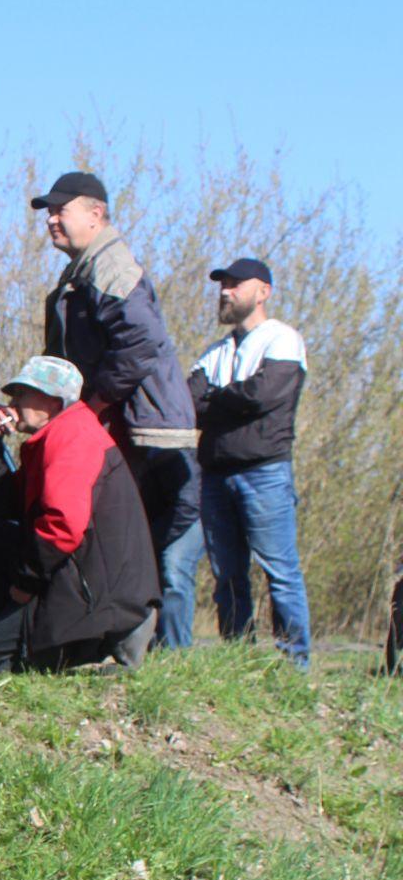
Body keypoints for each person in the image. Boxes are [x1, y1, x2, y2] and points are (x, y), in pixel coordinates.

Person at [34, 170, 199, 649]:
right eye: (49, 212)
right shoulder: (85, 269)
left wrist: (94, 405)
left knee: (133, 538)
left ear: (96, 213)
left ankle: (140, 645)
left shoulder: (111, 266)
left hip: (141, 429)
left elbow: (142, 341)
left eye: (61, 210)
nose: (52, 220)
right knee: (125, 536)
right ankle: (124, 642)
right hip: (123, 424)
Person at [0, 356, 158, 673]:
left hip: (99, 601)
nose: (13, 403)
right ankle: (16, 636)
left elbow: (62, 526)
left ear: (54, 401)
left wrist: (25, 583)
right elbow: (6, 503)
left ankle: (94, 653)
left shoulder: (72, 437)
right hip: (77, 580)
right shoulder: (54, 438)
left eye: (23, 393)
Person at [187, 257, 311, 668]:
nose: (225, 291)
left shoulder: (283, 340)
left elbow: (262, 395)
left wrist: (217, 398)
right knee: (227, 576)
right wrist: (230, 400)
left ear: (263, 291)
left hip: (265, 472)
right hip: (216, 475)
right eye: (222, 284)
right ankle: (238, 662)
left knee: (281, 572)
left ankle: (293, 666)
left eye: (235, 284)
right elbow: (189, 404)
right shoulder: (215, 352)